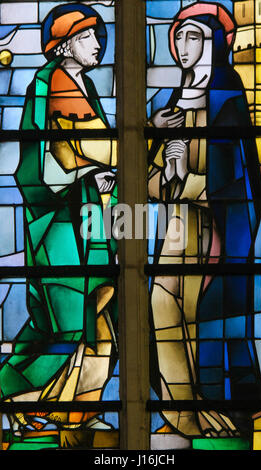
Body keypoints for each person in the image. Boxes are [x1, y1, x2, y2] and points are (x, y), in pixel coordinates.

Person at [0, 3, 118, 445]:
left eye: (99, 35)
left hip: (87, 218)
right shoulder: (52, 84)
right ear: (65, 44)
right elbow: (53, 161)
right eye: (88, 37)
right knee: (65, 324)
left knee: (99, 317)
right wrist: (93, 168)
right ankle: (13, 395)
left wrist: (100, 173)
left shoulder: (81, 83)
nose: (98, 44)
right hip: (59, 224)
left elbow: (93, 152)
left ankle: (78, 412)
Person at [148, 2, 261, 439]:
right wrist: (169, 171)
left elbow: (232, 173)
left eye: (193, 36)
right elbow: (148, 181)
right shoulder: (169, 102)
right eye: (178, 36)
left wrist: (189, 174)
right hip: (175, 229)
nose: (182, 45)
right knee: (161, 306)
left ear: (214, 43)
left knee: (202, 314)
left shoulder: (227, 95)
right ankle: (181, 411)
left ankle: (211, 406)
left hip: (213, 228)